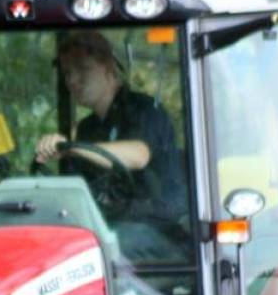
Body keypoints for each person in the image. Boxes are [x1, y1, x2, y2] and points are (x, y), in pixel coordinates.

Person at [33, 30, 188, 239]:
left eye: (82, 69)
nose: (72, 80)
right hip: (113, 227)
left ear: (108, 68)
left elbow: (138, 155)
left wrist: (73, 147)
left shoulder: (144, 109)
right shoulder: (87, 129)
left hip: (160, 228)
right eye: (67, 73)